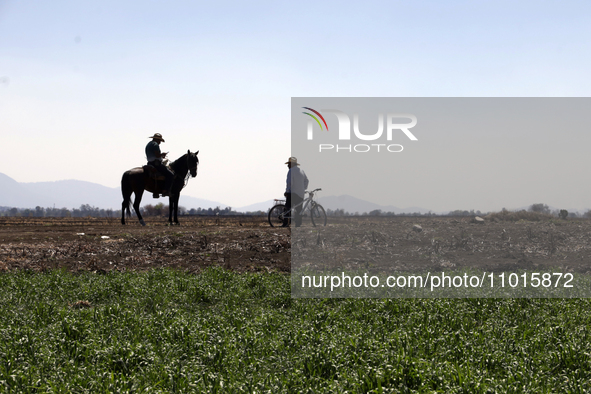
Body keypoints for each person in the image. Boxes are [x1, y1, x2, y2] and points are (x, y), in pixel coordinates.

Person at [284, 157, 309, 227]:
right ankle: (298, 224)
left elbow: (289, 182)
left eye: (288, 164)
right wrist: (303, 188)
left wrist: (287, 191)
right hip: (300, 194)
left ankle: (285, 223)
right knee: (299, 209)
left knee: (287, 208)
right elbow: (306, 181)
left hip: (293, 193)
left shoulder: (291, 171)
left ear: (291, 164)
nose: (287, 166)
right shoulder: (302, 171)